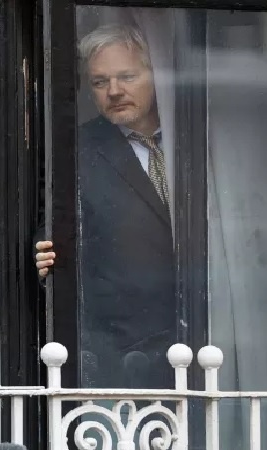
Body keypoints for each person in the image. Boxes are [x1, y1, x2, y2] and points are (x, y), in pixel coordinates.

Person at [35, 24, 176, 390]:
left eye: (127, 77)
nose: (114, 91)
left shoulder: (197, 135)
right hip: (124, 354)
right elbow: (52, 228)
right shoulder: (77, 150)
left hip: (205, 340)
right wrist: (43, 255)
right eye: (100, 82)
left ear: (157, 75)